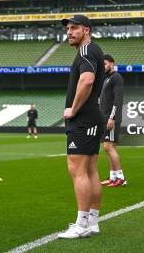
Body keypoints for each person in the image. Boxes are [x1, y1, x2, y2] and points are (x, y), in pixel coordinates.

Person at [57, 15, 106, 239]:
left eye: (74, 28)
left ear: (86, 30)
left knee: (78, 171)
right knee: (90, 170)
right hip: (92, 117)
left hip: (83, 118)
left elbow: (86, 80)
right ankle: (92, 222)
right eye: (68, 28)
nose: (69, 32)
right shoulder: (93, 50)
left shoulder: (87, 51)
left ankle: (81, 224)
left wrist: (73, 109)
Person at [99, 54, 127, 187]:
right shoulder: (106, 79)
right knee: (110, 148)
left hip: (110, 118)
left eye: (104, 64)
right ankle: (113, 177)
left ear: (112, 63)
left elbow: (118, 99)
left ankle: (121, 178)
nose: (103, 66)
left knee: (107, 147)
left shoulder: (116, 78)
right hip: (104, 117)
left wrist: (112, 117)